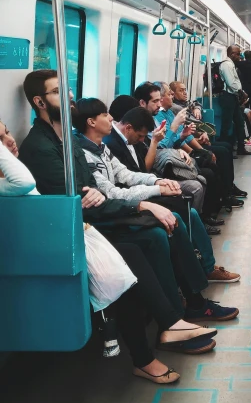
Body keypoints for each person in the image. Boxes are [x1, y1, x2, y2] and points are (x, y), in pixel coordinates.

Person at [0, 116, 218, 375]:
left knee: (144, 246)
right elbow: (27, 186)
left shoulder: (83, 149)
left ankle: (171, 323)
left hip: (68, 232)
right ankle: (158, 339)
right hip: (50, 247)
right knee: (127, 261)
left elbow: (96, 186)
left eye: (8, 132)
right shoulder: (15, 176)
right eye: (1, 140)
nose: (10, 141)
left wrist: (90, 194)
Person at [18, 71, 238, 324]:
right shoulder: (43, 149)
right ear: (40, 102)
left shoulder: (68, 140)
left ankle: (191, 299)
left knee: (172, 216)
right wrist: (141, 203)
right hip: (80, 225)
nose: (69, 95)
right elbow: (82, 201)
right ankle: (178, 311)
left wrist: (155, 183)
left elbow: (103, 185)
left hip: (98, 209)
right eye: (58, 91)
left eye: (68, 89)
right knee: (160, 229)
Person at [74, 99, 240, 286]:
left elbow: (127, 174)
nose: (111, 118)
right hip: (115, 208)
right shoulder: (90, 152)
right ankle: (195, 275)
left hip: (128, 196)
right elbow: (112, 192)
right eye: (105, 115)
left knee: (186, 208)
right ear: (91, 122)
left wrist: (159, 181)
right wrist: (156, 188)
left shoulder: (102, 148)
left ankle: (205, 267)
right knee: (176, 215)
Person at [134, 82, 225, 221]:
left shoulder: (160, 116)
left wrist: (181, 137)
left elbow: (164, 144)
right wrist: (175, 129)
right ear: (142, 103)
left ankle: (210, 210)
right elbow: (159, 148)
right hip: (160, 168)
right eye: (155, 101)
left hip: (168, 159)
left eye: (159, 100)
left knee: (209, 163)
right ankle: (200, 219)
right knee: (202, 177)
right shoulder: (145, 124)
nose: (159, 104)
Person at [219, 45, 251, 156]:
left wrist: (240, 92)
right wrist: (241, 92)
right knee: (227, 124)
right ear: (232, 54)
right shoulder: (226, 65)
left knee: (239, 122)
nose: (240, 56)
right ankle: (225, 151)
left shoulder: (231, 65)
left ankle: (240, 148)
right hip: (228, 97)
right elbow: (231, 82)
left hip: (233, 96)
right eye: (238, 54)